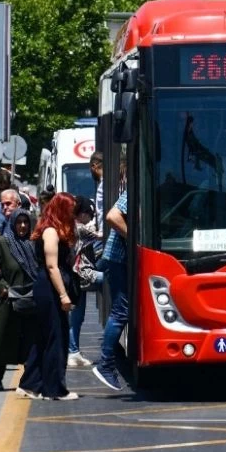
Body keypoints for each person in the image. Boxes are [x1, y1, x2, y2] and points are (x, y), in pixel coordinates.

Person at [18, 193, 79, 400]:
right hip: (50, 288)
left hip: (48, 286)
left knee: (44, 336)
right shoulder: (51, 231)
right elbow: (52, 266)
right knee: (56, 337)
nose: (74, 213)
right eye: (71, 209)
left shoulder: (51, 229)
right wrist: (63, 295)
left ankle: (31, 384)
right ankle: (54, 389)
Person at [0, 209, 40, 391]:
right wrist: (1, 288)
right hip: (7, 301)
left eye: (26, 222)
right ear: (13, 223)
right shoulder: (3, 243)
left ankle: (28, 379)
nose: (22, 226)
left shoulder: (35, 243)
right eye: (19, 222)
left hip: (31, 300)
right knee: (2, 339)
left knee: (30, 340)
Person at [92, 156, 128, 391]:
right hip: (119, 259)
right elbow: (112, 216)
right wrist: (136, 239)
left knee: (122, 309)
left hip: (116, 259)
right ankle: (105, 364)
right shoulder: (134, 190)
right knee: (121, 310)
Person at [68, 196, 103, 367]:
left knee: (77, 316)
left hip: (78, 275)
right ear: (81, 214)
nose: (91, 217)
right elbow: (101, 236)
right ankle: (71, 351)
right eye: (89, 213)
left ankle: (73, 351)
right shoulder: (80, 228)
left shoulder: (73, 227)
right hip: (83, 273)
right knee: (108, 280)